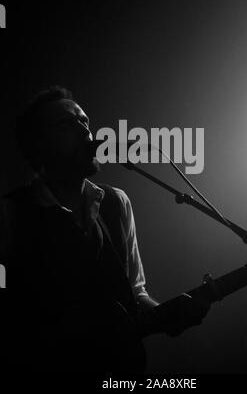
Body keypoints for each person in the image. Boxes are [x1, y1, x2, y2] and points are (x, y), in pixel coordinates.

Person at [0, 86, 210, 375]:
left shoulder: (116, 203)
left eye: (84, 121)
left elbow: (135, 294)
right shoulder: (10, 214)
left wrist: (169, 316)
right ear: (40, 145)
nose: (85, 130)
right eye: (67, 124)